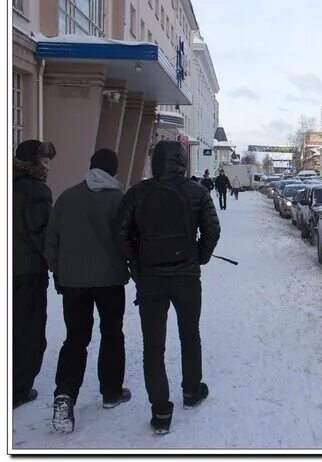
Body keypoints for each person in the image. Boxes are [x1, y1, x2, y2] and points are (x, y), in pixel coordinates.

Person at [116, 140, 221, 435]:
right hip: (187, 277)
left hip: (151, 280)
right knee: (190, 336)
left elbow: (121, 233)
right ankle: (191, 391)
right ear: (181, 162)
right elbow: (212, 229)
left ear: (156, 161)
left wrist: (136, 264)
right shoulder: (196, 191)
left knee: (153, 346)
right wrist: (199, 256)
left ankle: (161, 412)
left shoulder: (138, 193)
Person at [45, 149, 131, 433]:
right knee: (111, 333)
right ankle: (111, 391)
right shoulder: (118, 198)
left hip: (72, 281)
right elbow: (128, 239)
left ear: (91, 166)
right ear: (113, 170)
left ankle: (65, 394)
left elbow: (52, 239)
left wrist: (58, 270)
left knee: (76, 338)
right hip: (109, 280)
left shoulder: (67, 197)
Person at [12, 139, 57, 409]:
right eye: (46, 161)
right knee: (28, 327)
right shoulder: (36, 191)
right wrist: (56, 263)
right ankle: (19, 388)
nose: (49, 166)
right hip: (27, 271)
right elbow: (42, 234)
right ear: (35, 162)